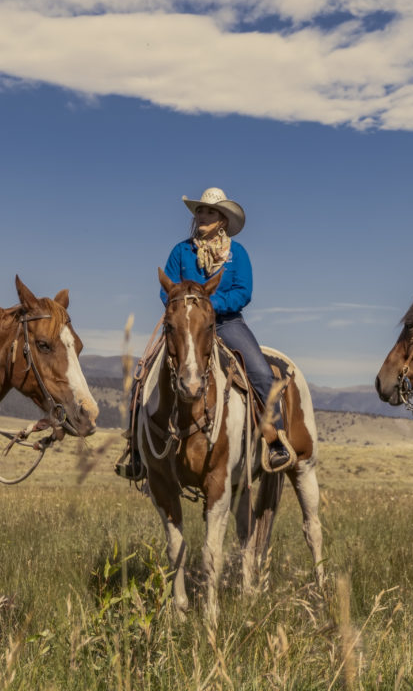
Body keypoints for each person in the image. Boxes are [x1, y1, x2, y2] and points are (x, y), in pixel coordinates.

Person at [119, 187, 293, 477]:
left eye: (210, 212)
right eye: (200, 210)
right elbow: (169, 292)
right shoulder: (180, 251)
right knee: (143, 373)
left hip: (227, 323)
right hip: (185, 327)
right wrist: (184, 313)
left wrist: (210, 307)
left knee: (261, 373)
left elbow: (243, 291)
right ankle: (135, 450)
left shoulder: (237, 254)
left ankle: (276, 440)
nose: (203, 215)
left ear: (222, 219)